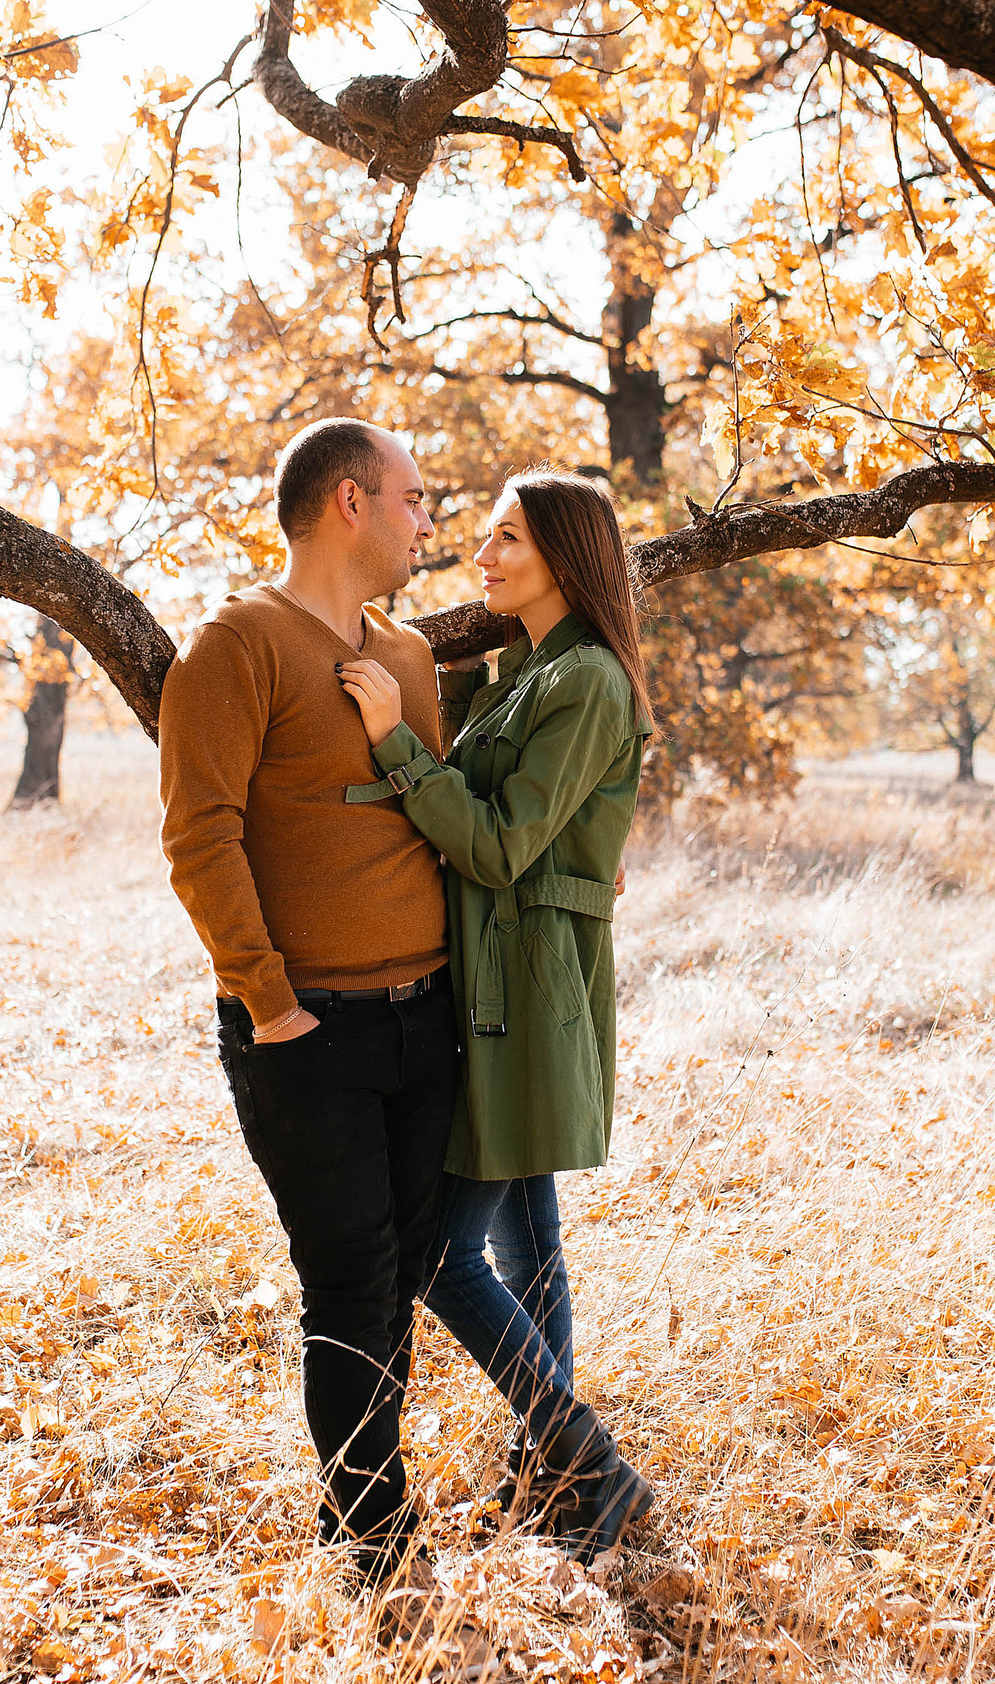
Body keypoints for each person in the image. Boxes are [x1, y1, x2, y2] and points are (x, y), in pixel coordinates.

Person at [336, 467, 656, 1561]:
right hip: (495, 970)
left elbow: (497, 842)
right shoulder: (528, 671)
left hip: (521, 984)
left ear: (566, 554)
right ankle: (559, 1479)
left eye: (507, 538)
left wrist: (394, 741)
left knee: (437, 1253)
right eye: (481, 536)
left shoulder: (589, 683)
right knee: (530, 1243)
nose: (481, 556)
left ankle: (586, 1459)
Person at [157, 417, 454, 1585]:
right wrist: (272, 1005)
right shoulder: (234, 646)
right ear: (349, 502)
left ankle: (363, 1512)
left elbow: (436, 811)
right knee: (348, 1282)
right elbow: (200, 835)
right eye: (413, 498)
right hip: (308, 1031)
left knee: (402, 1280)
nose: (426, 521)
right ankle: (375, 1545)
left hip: (428, 1021)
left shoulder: (411, 658)